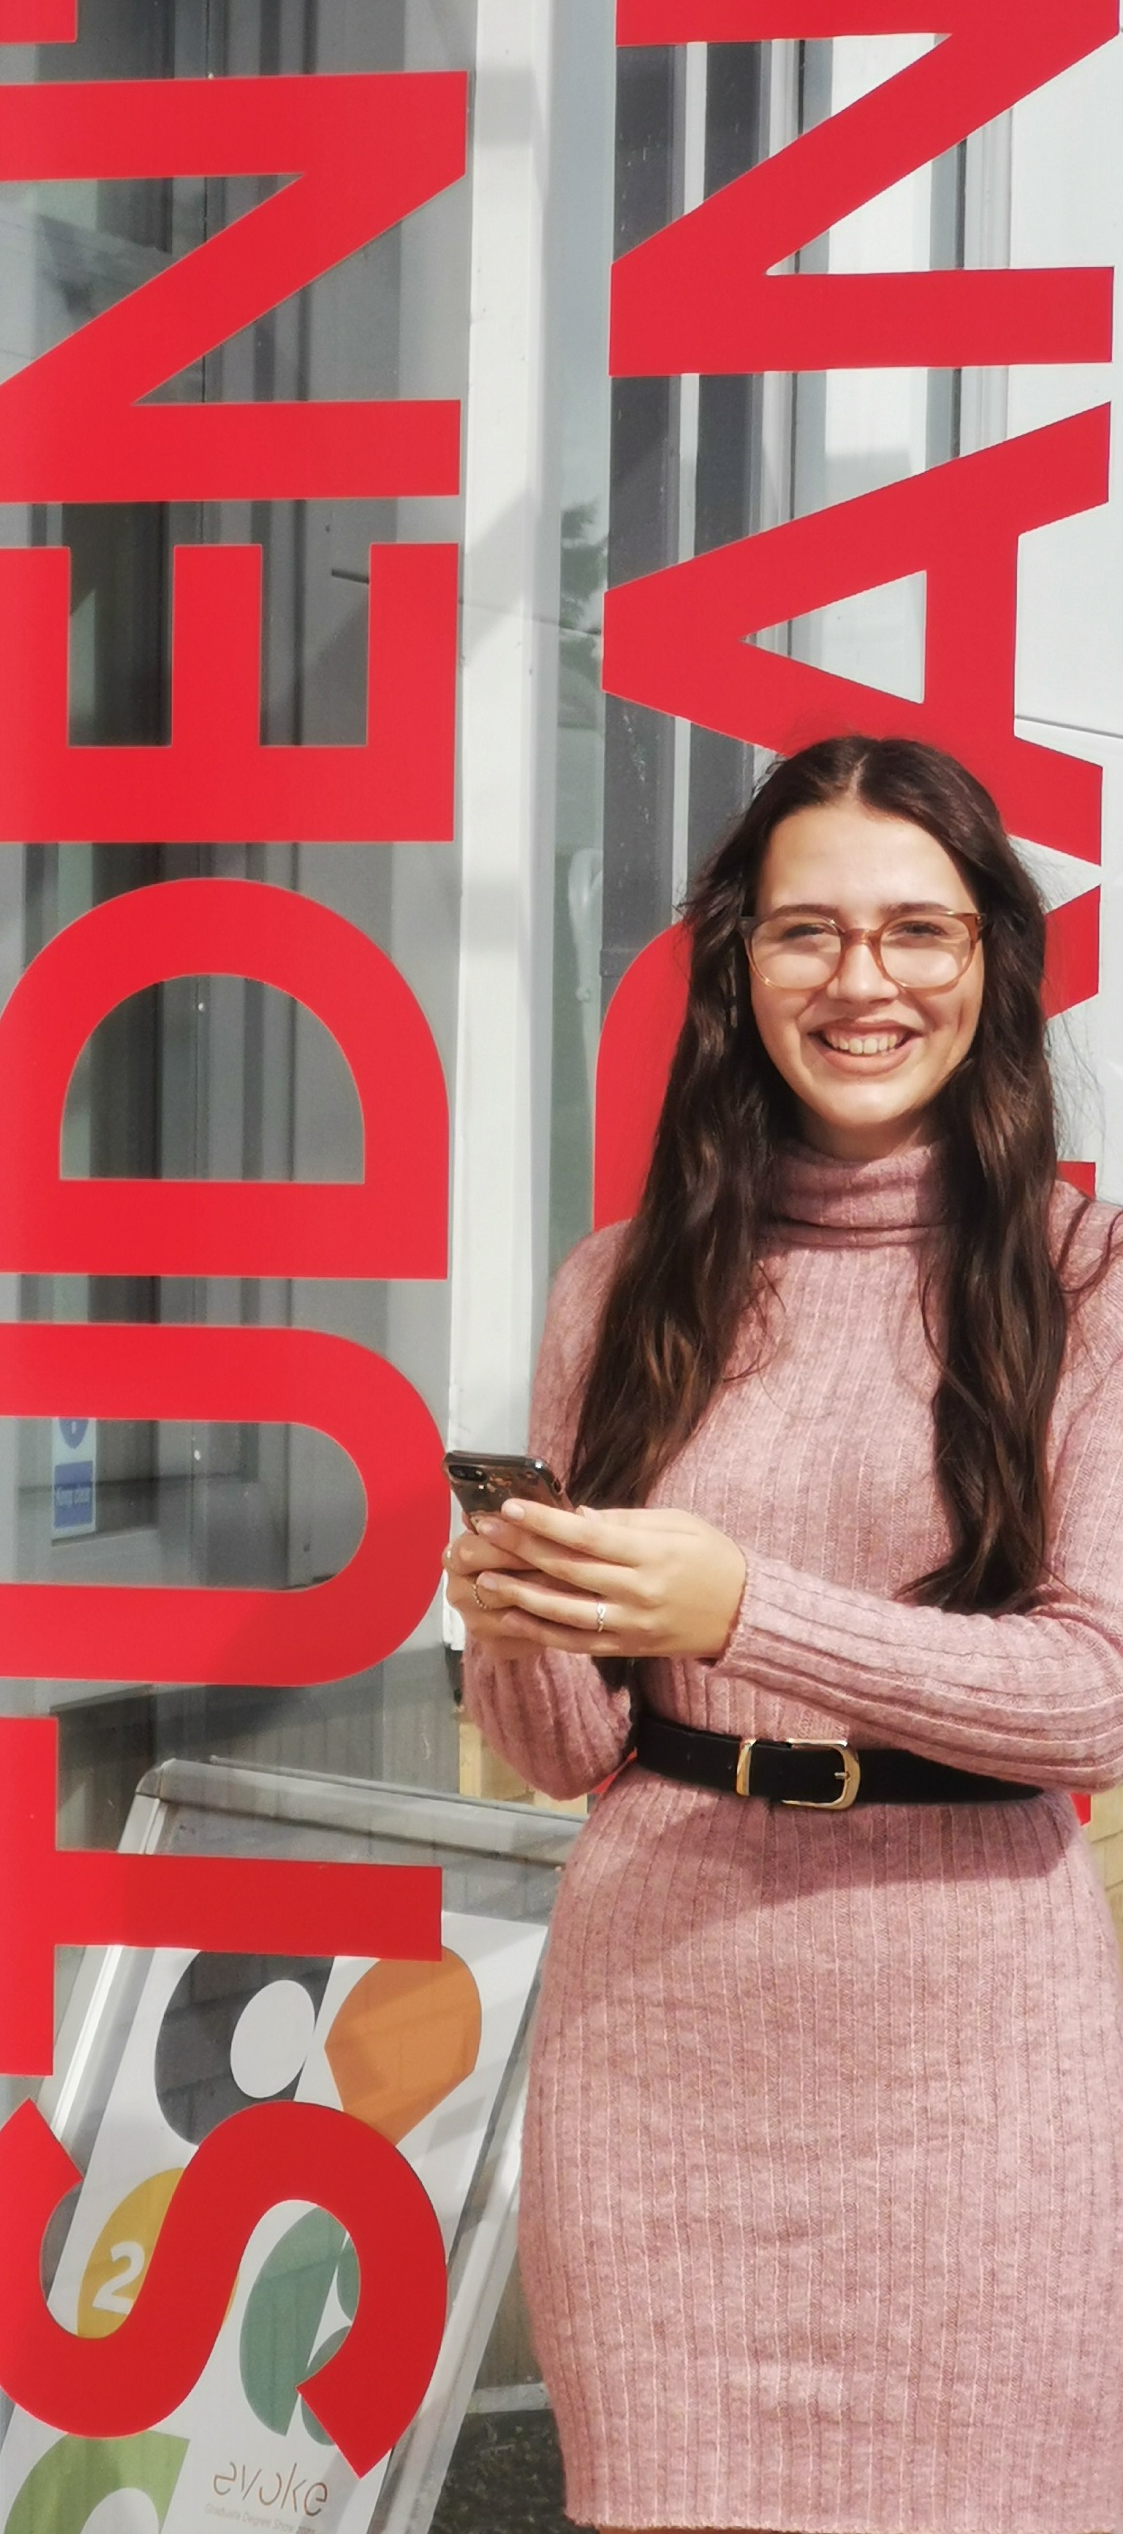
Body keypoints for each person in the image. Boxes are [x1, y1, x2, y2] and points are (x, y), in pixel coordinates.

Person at [447, 736, 1123, 2534]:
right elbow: (575, 1749)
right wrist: (519, 1612)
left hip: (977, 2058)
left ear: (992, 963)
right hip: (660, 2037)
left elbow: (1092, 1694)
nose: (864, 980)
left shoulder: (1084, 1279)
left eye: (920, 929)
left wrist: (745, 1607)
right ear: (739, 972)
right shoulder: (621, 1277)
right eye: (808, 933)